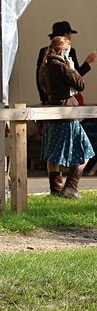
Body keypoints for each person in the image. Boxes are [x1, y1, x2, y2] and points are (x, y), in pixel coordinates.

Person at [38, 35, 94, 198]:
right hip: (67, 115)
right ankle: (70, 187)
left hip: (51, 115)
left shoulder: (44, 66)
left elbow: (43, 88)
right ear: (63, 50)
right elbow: (80, 85)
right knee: (85, 152)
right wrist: (72, 67)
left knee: (53, 155)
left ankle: (55, 191)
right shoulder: (62, 67)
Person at [35, 21, 95, 104]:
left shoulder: (44, 53)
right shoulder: (69, 52)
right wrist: (86, 63)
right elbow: (77, 80)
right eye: (70, 34)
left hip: (49, 98)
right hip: (65, 100)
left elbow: (39, 79)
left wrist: (44, 98)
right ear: (66, 35)